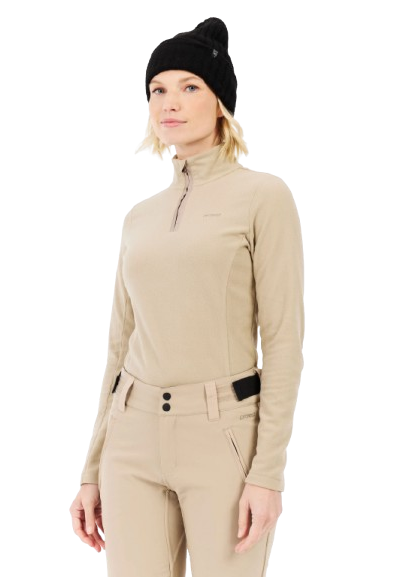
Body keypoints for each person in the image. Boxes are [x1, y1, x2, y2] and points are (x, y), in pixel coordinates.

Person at [69, 16, 305, 577]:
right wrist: (92, 467)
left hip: (224, 437)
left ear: (220, 101)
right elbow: (119, 346)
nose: (169, 102)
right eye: (158, 90)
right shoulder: (138, 218)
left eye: (189, 86)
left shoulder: (264, 197)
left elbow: (283, 341)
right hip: (133, 438)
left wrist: (267, 472)